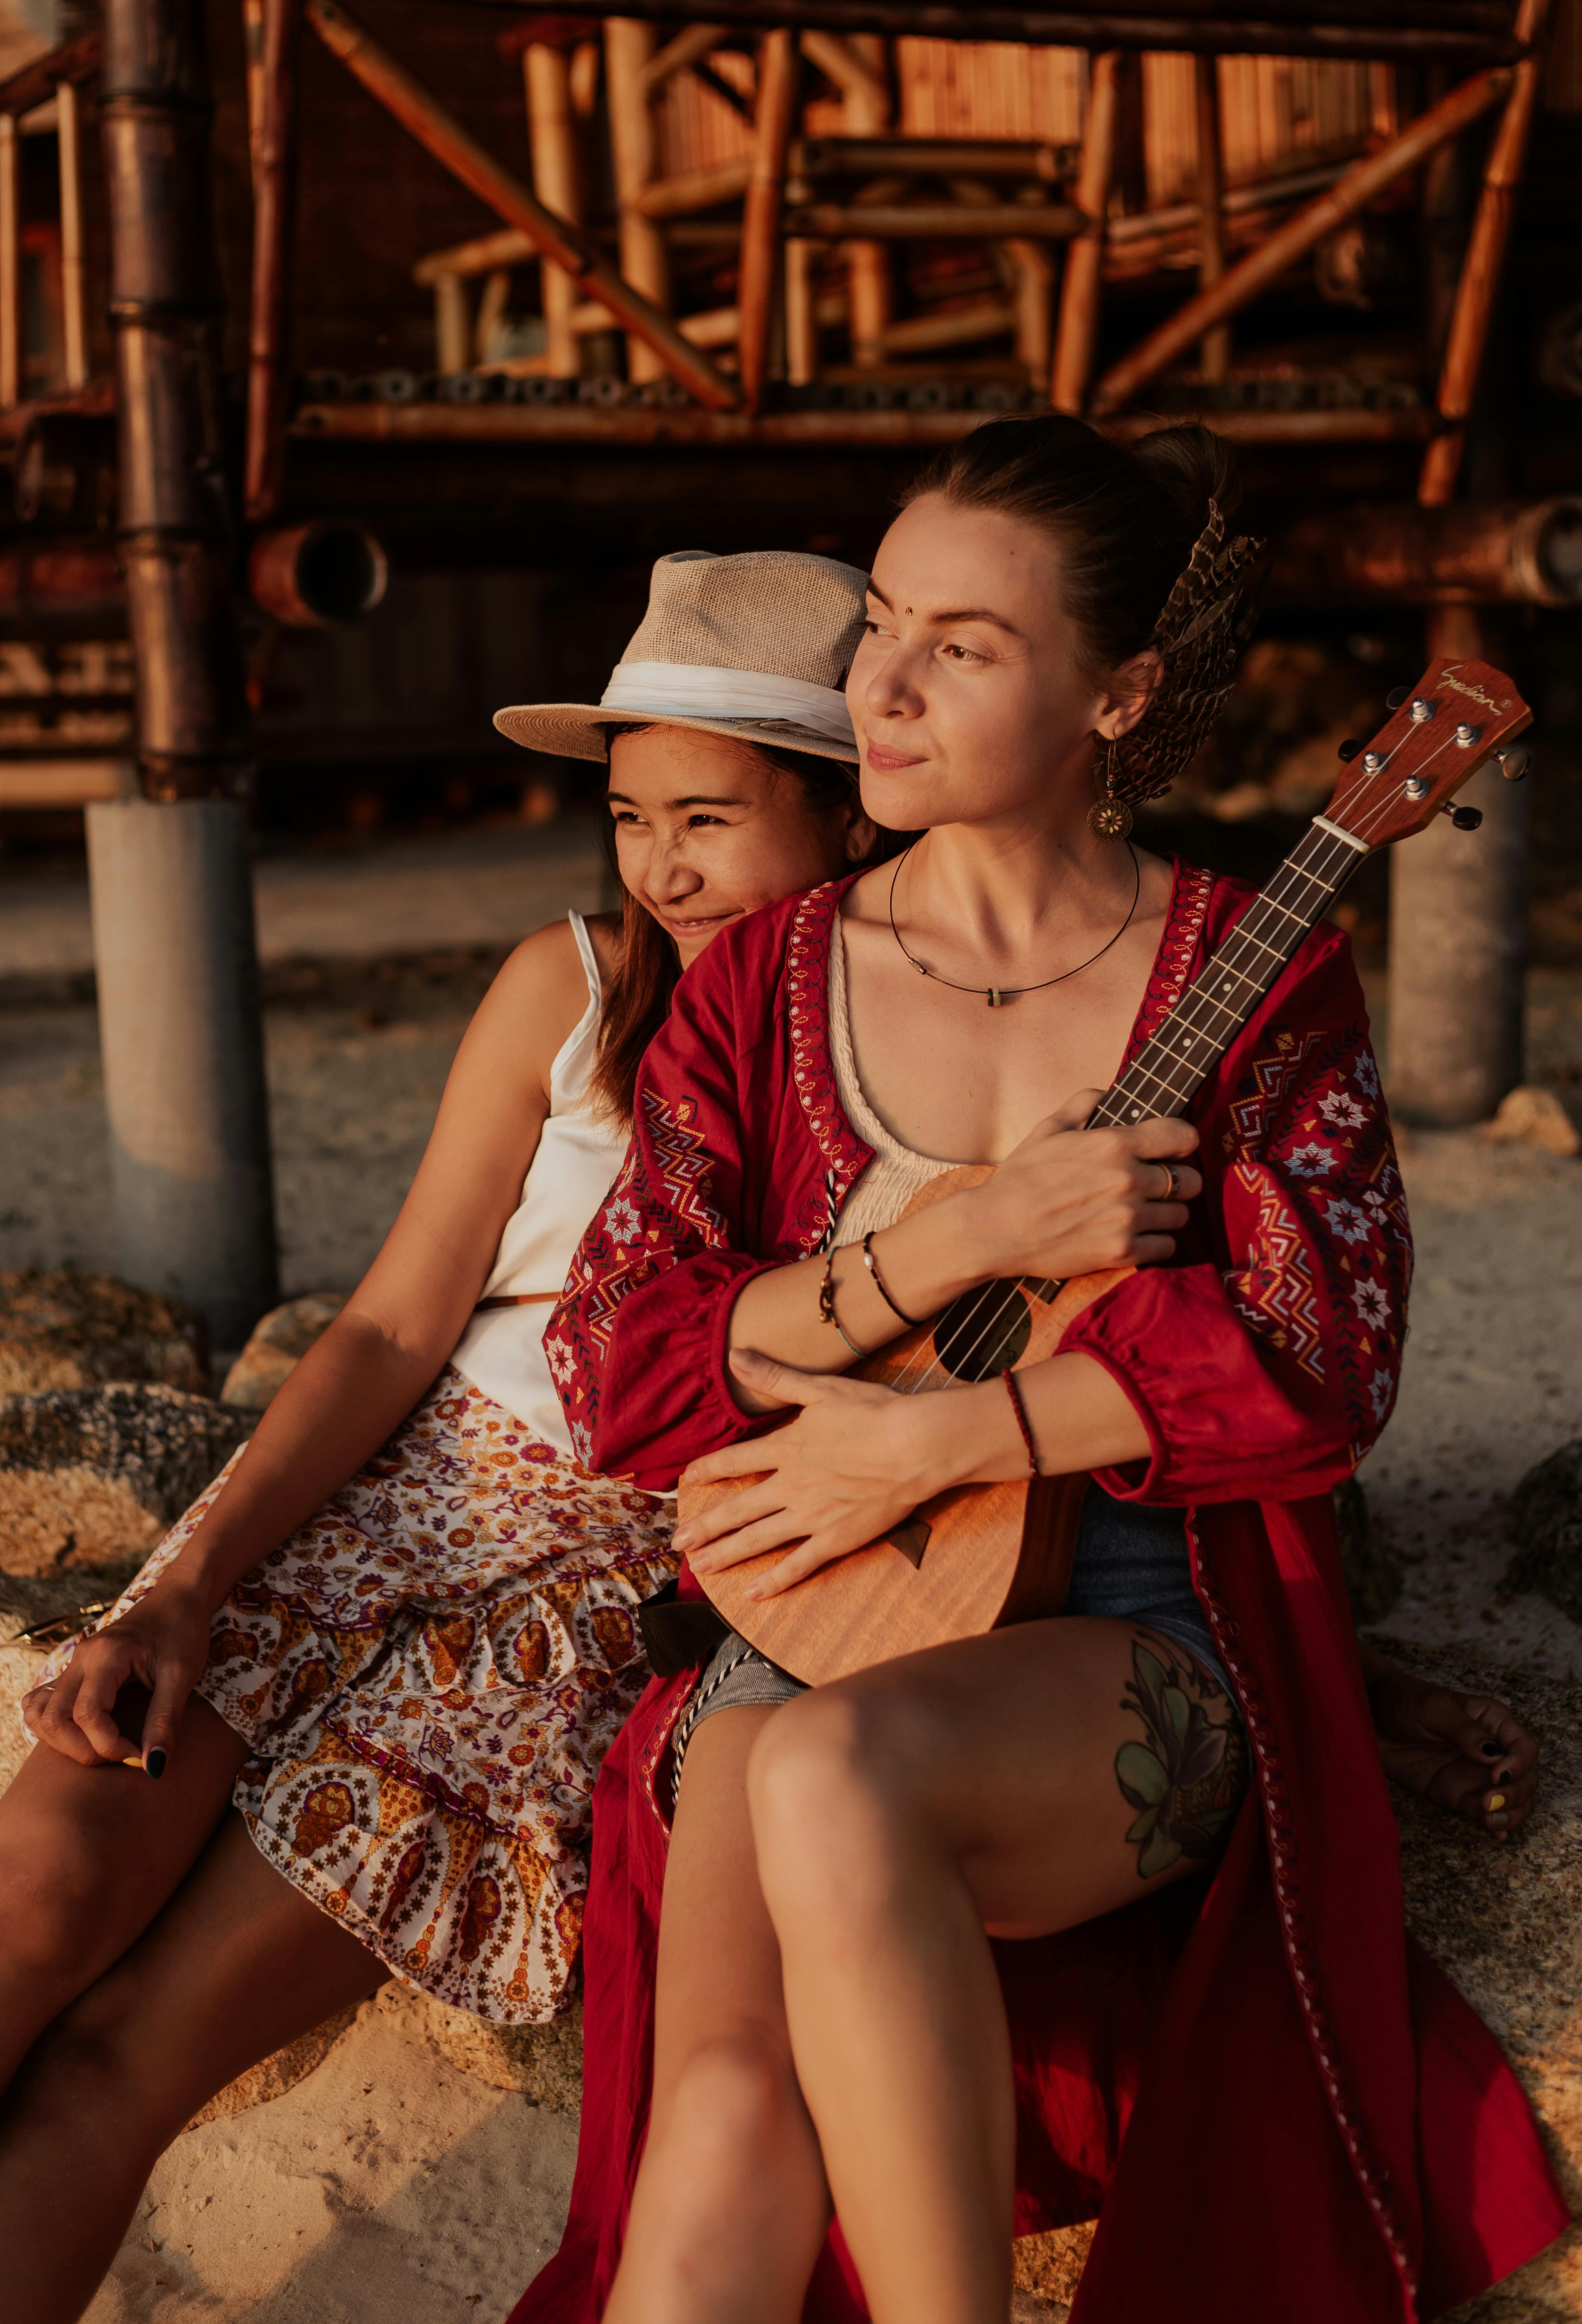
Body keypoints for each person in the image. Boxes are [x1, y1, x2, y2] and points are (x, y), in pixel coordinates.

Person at [512, 417, 1565, 2324]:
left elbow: (1317, 1355)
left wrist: (937, 1439)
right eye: (883, 625)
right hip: (810, 1594)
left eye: (965, 646)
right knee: (726, 2094)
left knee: (833, 1781)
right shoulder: (766, 978)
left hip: (1145, 1617)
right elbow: (621, 1352)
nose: (884, 688)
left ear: (1120, 691)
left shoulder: (1247, 966)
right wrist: (950, 1256)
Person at [0, 549, 882, 2323]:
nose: (664, 863)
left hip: (577, 1611)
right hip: (377, 1514)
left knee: (125, 2058)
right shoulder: (571, 987)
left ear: (853, 819)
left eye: (711, 815)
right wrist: (181, 1584)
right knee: (9, 1917)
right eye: (635, 816)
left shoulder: (910, 1066)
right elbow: (396, 1324)